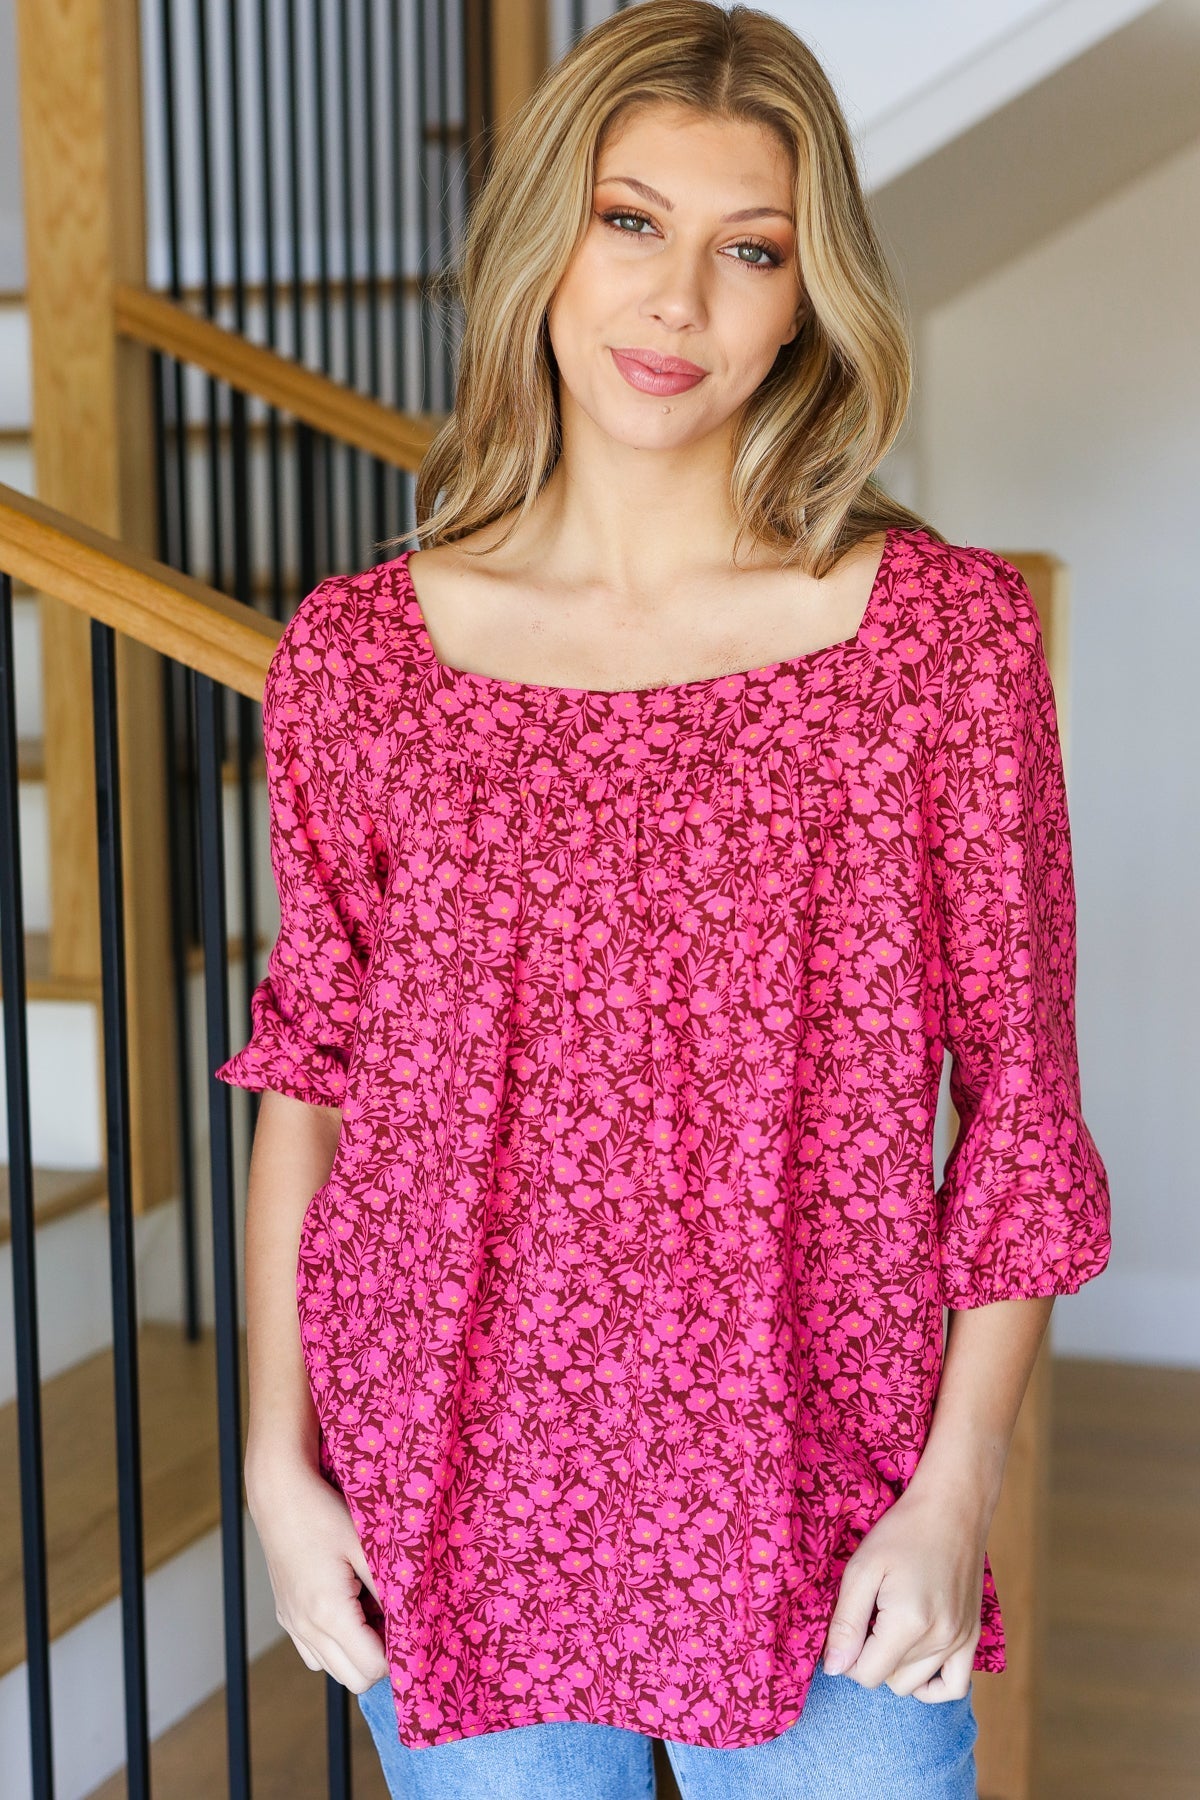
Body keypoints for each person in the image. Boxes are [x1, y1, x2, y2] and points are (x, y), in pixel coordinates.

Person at [214, 4, 1112, 1796]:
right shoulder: (361, 658)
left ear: (805, 301)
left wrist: (960, 1486)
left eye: (749, 249)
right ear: (545, 242)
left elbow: (1022, 1105)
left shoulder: (936, 646)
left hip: (829, 1492)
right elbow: (311, 1082)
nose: (677, 300)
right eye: (631, 222)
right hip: (451, 1486)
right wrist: (276, 1468)